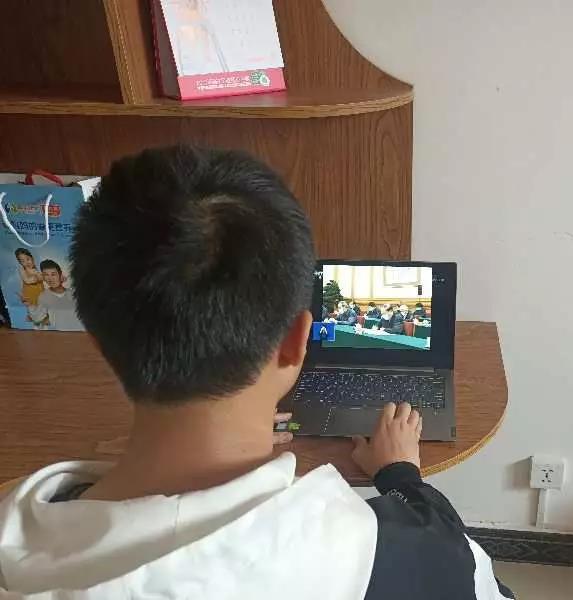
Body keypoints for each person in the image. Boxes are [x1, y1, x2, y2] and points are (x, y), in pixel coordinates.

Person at [0, 146, 513, 599]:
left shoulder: (13, 533)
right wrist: (400, 473)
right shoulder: (402, 554)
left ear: (97, 341)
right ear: (296, 342)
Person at [27, 259, 83, 331]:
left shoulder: (73, 293)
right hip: (59, 334)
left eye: (53, 274)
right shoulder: (44, 296)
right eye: (46, 275)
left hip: (81, 333)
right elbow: (38, 318)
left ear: (60, 275)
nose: (50, 279)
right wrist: (29, 305)